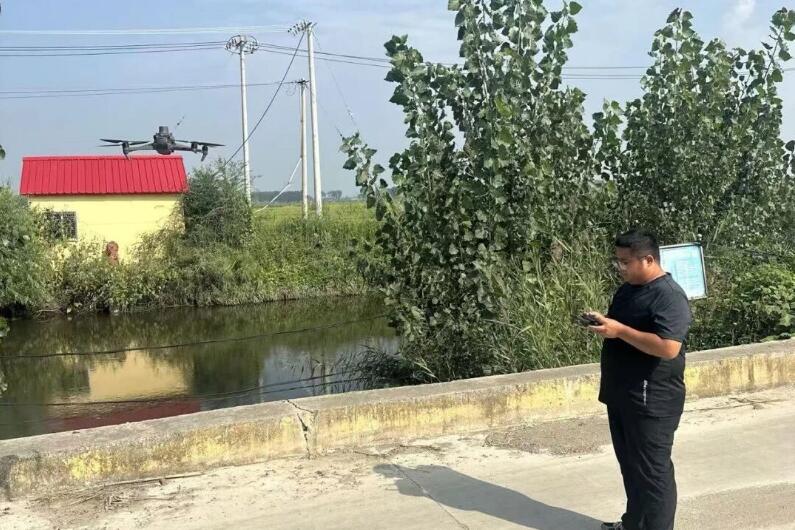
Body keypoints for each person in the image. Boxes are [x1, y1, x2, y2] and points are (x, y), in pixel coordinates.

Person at [585, 229, 692, 530]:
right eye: (617, 261)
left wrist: (619, 331)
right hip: (622, 394)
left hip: (652, 399)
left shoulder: (669, 296)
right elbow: (623, 329)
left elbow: (668, 347)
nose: (620, 267)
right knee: (632, 468)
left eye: (625, 262)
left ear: (648, 260)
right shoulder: (628, 290)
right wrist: (605, 325)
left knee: (653, 473)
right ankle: (633, 524)